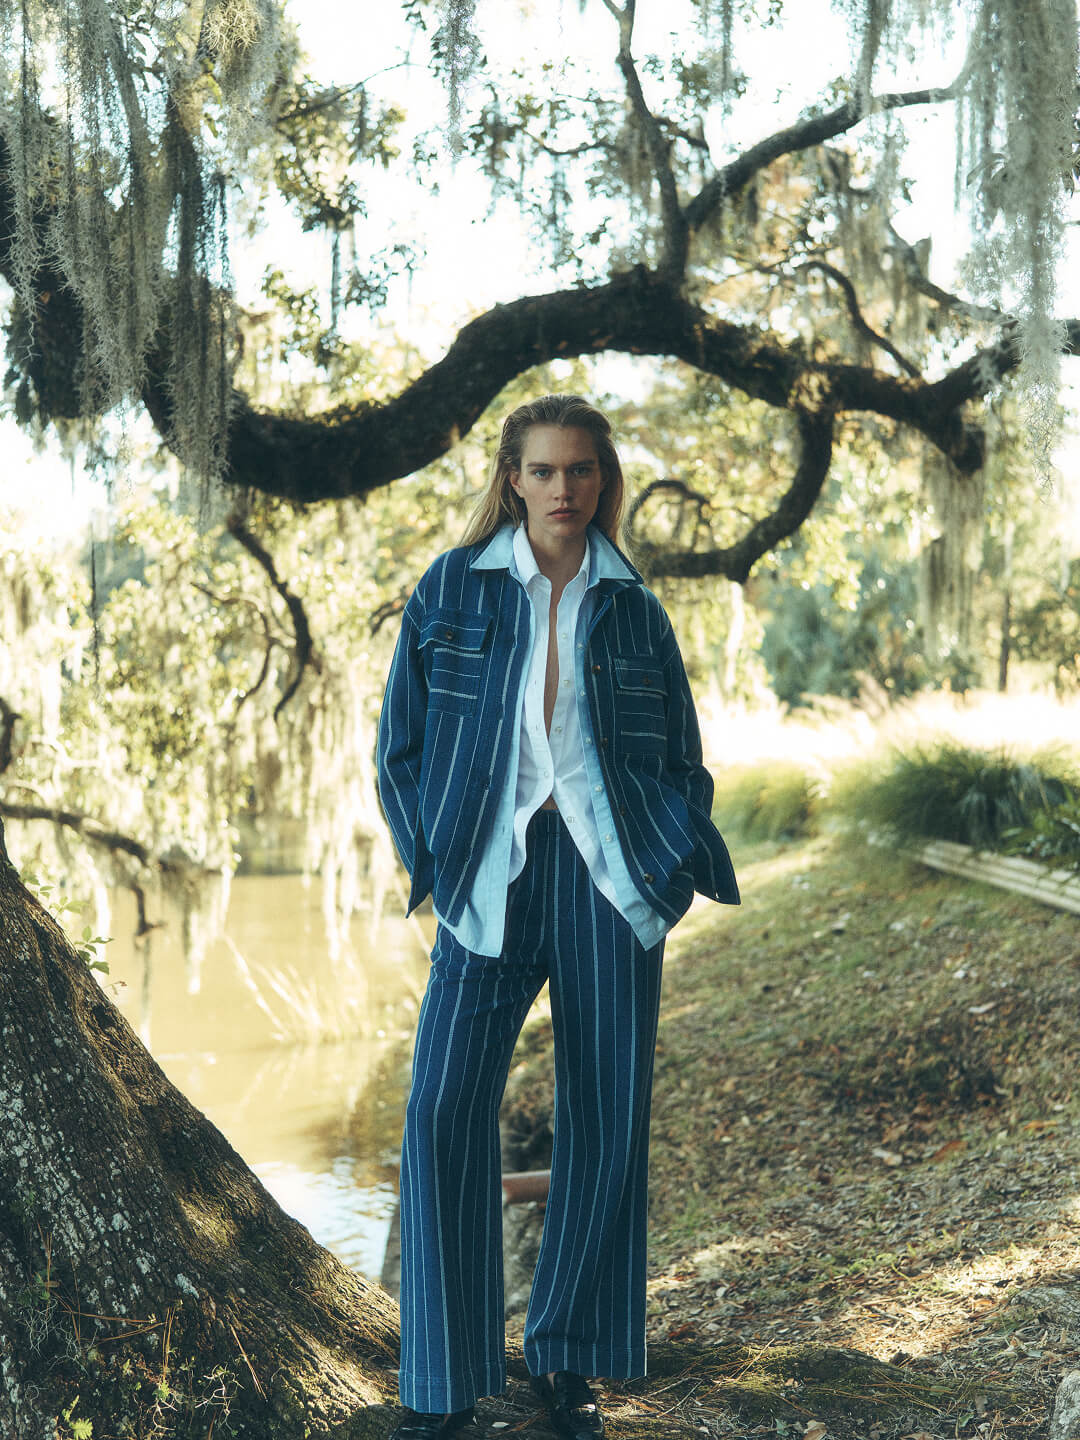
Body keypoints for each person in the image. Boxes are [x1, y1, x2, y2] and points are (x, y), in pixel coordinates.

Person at [376, 394, 739, 1440]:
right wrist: (434, 860)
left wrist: (665, 863)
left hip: (606, 881)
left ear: (602, 480)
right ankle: (440, 1383)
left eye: (581, 470)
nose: (564, 489)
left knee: (604, 1118)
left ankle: (567, 1365)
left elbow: (680, 756)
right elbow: (400, 745)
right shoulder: (454, 589)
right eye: (544, 470)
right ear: (513, 479)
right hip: (488, 876)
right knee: (441, 1112)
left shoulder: (635, 607)